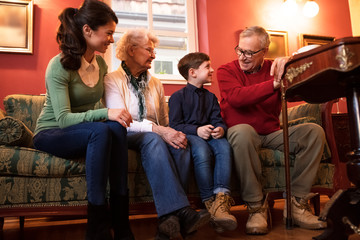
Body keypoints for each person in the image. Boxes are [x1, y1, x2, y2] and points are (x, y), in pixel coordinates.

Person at [32, 1, 134, 239]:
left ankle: (121, 225)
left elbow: (99, 110)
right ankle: (97, 229)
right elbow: (64, 119)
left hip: (84, 130)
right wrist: (105, 113)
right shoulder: (58, 65)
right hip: (52, 132)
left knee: (116, 130)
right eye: (108, 33)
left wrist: (113, 116)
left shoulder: (99, 63)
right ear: (88, 30)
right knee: (100, 130)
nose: (111, 39)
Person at [217, 25, 327, 235]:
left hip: (271, 133)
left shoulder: (276, 67)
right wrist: (274, 85)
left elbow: (303, 88)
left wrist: (292, 60)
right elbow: (237, 98)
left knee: (314, 132)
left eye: (250, 52)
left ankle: (296, 204)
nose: (243, 57)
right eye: (240, 50)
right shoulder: (226, 70)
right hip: (243, 135)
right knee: (242, 131)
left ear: (264, 51)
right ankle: (256, 206)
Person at [103, 29, 210, 239]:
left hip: (153, 135)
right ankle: (183, 212)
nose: (154, 55)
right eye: (149, 50)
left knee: (180, 145)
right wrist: (159, 130)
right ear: (132, 50)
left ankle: (168, 222)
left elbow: (163, 120)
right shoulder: (111, 79)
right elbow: (121, 120)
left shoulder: (155, 83)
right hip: (125, 133)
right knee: (153, 138)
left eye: (154, 51)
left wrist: (172, 133)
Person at [168, 52, 237, 233]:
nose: (212, 69)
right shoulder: (177, 97)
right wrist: (196, 130)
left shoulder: (211, 97)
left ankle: (221, 201)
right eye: (207, 66)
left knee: (224, 146)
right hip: (191, 136)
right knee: (202, 151)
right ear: (193, 72)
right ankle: (210, 202)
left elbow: (218, 119)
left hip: (211, 136)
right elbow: (175, 125)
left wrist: (220, 128)